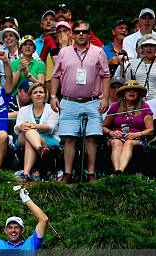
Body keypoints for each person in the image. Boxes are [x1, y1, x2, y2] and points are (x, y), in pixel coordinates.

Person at [50, 20, 110, 184]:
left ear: (89, 34)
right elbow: (55, 75)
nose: (81, 34)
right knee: (69, 138)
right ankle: (68, 174)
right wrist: (53, 96)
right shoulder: (64, 52)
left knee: (91, 138)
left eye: (84, 31)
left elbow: (106, 75)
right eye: (77, 32)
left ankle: (91, 174)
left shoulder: (98, 52)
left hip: (91, 101)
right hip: (68, 101)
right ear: (72, 34)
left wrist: (105, 97)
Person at [103, 80, 154, 174]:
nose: (132, 92)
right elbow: (103, 126)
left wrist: (137, 134)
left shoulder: (145, 107)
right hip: (117, 137)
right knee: (116, 142)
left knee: (129, 143)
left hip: (137, 138)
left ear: (138, 93)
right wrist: (111, 133)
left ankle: (119, 171)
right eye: (129, 90)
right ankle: (118, 171)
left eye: (134, 90)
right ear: (123, 93)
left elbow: (151, 130)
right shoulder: (115, 107)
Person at [14, 82, 60, 181]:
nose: (38, 94)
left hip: (48, 138)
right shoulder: (23, 110)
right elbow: (16, 129)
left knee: (29, 138)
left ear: (45, 95)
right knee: (28, 133)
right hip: (25, 137)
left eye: (41, 92)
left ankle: (25, 174)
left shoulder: (52, 109)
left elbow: (50, 128)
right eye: (35, 92)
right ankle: (40, 149)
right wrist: (21, 126)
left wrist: (35, 126)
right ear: (30, 95)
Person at [117, 35, 156, 101]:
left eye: (152, 46)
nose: (149, 48)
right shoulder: (133, 63)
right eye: (146, 46)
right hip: (138, 103)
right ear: (142, 49)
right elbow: (125, 82)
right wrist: (122, 65)